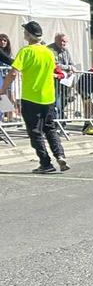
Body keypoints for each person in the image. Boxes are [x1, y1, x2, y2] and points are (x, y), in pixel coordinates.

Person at [0, 21, 68, 174]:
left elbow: (13, 73)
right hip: (48, 96)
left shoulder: (26, 51)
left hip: (31, 97)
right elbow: (53, 70)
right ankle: (60, 155)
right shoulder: (48, 52)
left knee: (35, 131)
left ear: (28, 35)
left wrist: (2, 90)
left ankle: (45, 163)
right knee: (50, 128)